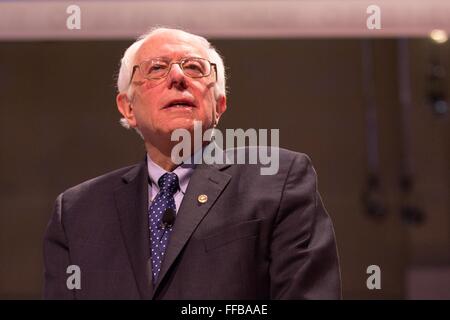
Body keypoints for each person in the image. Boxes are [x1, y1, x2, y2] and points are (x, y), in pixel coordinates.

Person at [43, 27, 341, 299]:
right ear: (128, 107)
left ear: (219, 105)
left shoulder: (279, 179)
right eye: (157, 68)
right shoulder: (76, 212)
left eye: (194, 68)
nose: (178, 77)